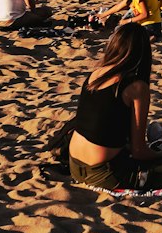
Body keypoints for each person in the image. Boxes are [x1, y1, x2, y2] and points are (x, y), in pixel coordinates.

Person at [66, 24, 156, 189]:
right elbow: (139, 152)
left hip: (75, 165)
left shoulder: (96, 74)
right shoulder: (136, 87)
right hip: (104, 174)